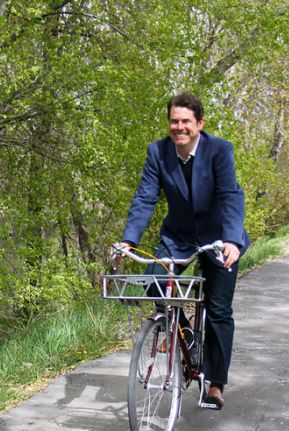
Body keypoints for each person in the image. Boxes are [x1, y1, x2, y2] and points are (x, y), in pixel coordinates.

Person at [113, 92, 249, 409]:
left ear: (199, 124)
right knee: (154, 282)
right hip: (179, 237)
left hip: (219, 238)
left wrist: (232, 240)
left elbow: (230, 195)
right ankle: (184, 331)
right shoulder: (158, 152)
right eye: (174, 121)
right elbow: (145, 197)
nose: (179, 127)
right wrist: (129, 240)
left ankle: (215, 384)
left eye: (186, 121)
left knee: (218, 310)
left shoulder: (219, 150)